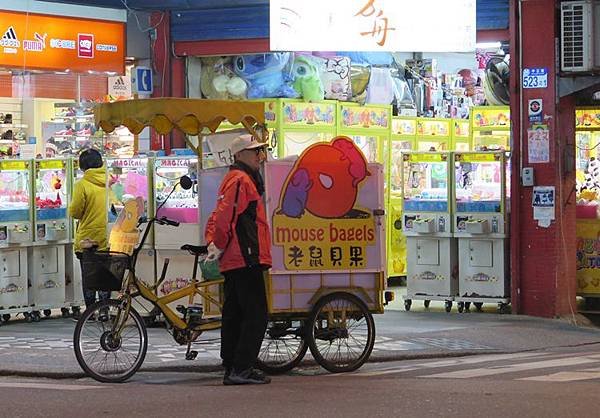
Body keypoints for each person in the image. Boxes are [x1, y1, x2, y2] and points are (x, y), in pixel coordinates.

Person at [204, 134, 272, 385]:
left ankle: (232, 365)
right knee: (255, 315)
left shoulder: (235, 178)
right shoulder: (240, 180)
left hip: (238, 258)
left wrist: (217, 246)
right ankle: (241, 369)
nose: (259, 156)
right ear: (240, 155)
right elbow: (224, 218)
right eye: (255, 152)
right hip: (244, 257)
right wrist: (218, 245)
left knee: (235, 313)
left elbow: (220, 216)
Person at [69, 148, 110, 317]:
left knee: (89, 278)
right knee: (103, 276)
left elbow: (75, 212)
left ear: (83, 165)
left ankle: (90, 312)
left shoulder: (82, 185)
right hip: (104, 237)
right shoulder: (107, 182)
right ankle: (104, 310)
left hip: (86, 238)